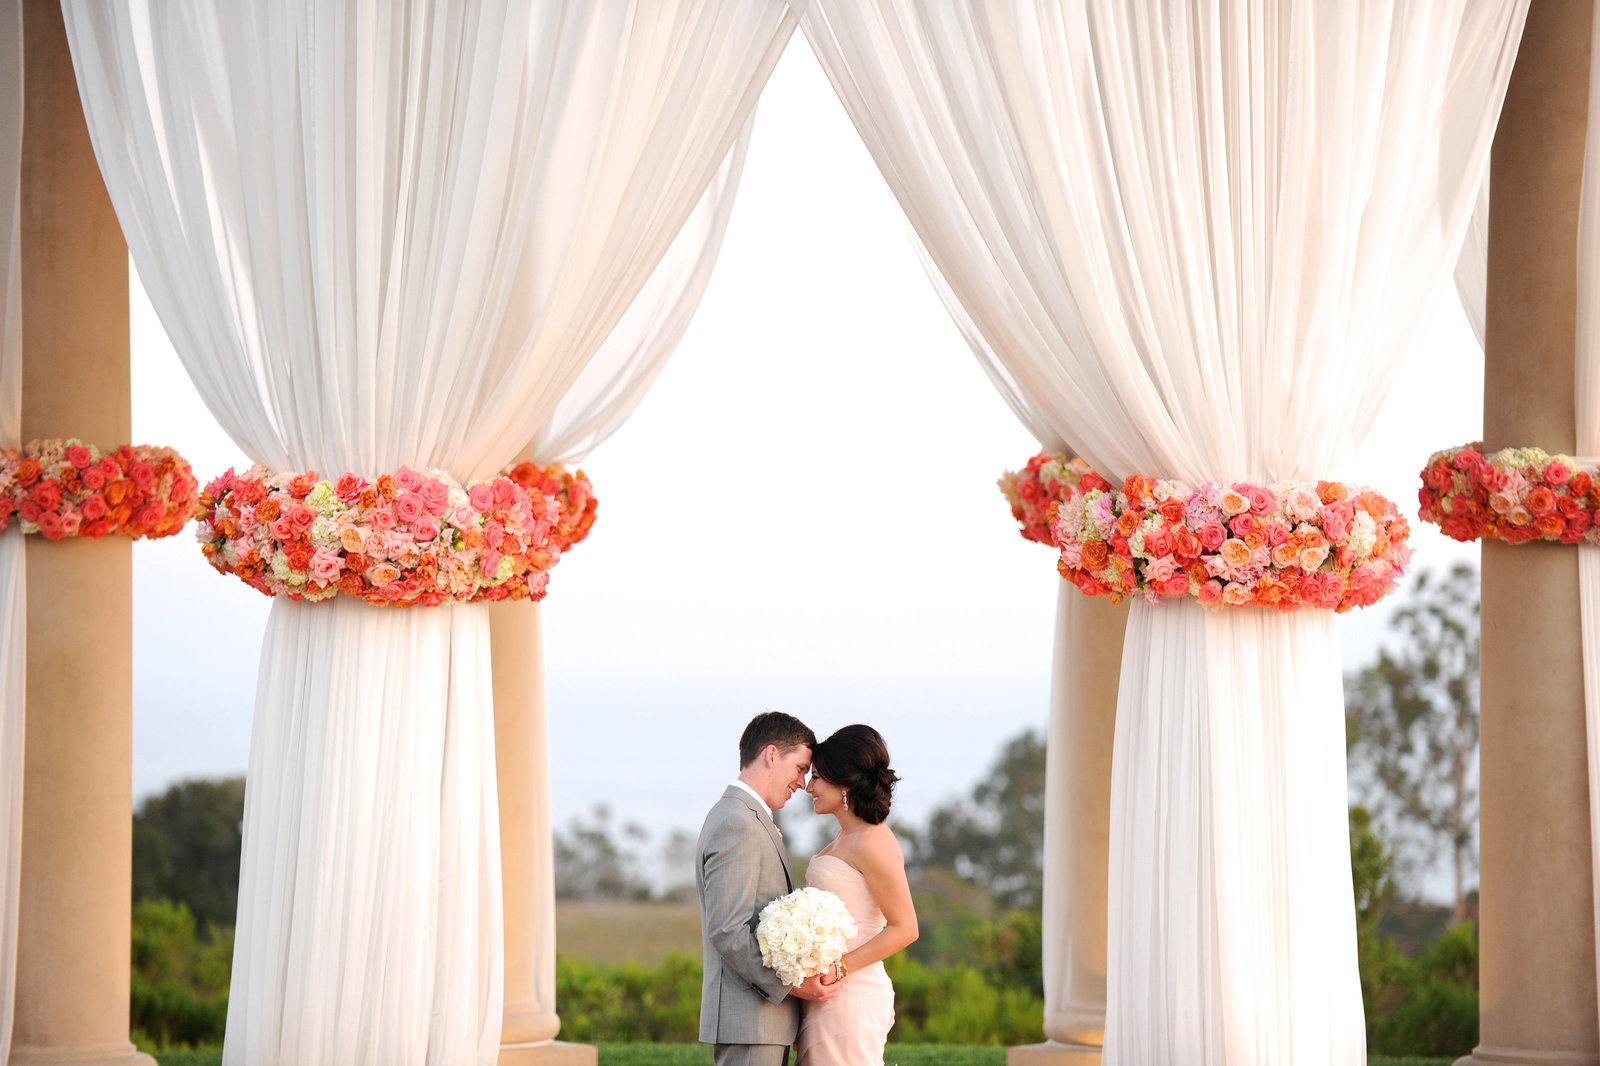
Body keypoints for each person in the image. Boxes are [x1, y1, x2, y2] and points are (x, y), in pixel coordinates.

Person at [698, 712, 842, 1066]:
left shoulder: (748, 817)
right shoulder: (738, 821)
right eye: (800, 768)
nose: (803, 782)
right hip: (750, 1021)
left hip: (764, 1023)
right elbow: (727, 929)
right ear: (772, 755)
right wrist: (794, 986)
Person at [797, 724, 918, 1066]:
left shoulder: (872, 840)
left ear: (844, 783)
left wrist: (838, 969)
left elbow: (905, 928)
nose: (809, 787)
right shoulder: (844, 838)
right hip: (826, 995)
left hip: (851, 995)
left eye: (817, 777)